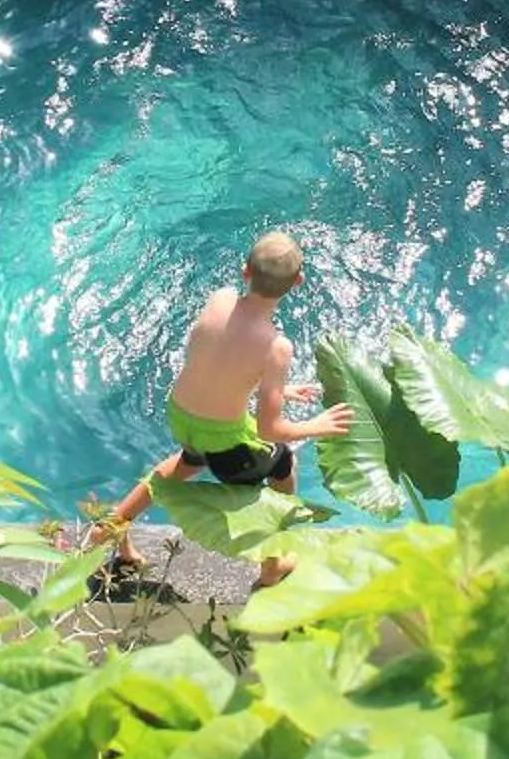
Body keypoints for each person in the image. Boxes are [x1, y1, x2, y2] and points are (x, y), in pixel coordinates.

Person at [99, 232, 353, 587]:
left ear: (244, 271)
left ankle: (111, 524)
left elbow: (222, 358)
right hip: (224, 441)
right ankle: (272, 565)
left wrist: (278, 389)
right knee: (283, 462)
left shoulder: (220, 299)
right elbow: (270, 430)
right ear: (299, 281)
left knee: (187, 461)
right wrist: (318, 424)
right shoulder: (277, 347)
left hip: (182, 415)